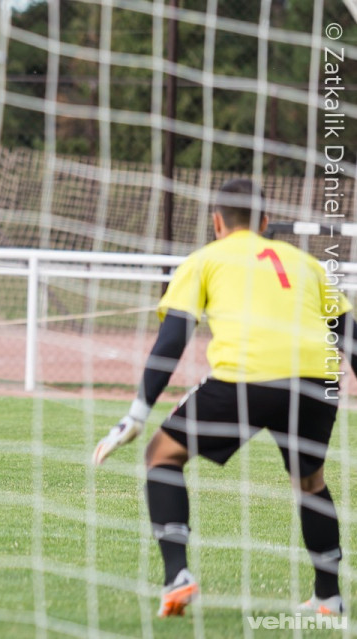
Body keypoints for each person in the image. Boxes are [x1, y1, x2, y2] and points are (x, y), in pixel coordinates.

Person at [92, 178, 354, 618]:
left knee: (161, 455)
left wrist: (137, 413)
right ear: (266, 222)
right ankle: (329, 596)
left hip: (247, 378)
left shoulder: (205, 259)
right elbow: (350, 335)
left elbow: (173, 338)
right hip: (317, 380)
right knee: (311, 483)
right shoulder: (307, 263)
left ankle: (177, 574)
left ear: (217, 222)